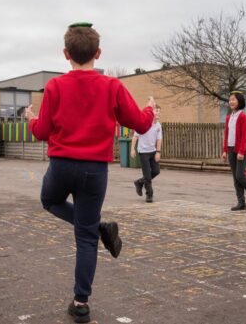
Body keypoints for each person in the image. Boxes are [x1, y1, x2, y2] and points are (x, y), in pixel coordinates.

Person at [25, 22, 155, 323]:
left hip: (61, 165)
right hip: (94, 170)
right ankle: (81, 302)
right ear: (98, 52)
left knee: (49, 201)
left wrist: (32, 119)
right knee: (84, 238)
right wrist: (150, 108)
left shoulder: (55, 86)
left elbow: (42, 131)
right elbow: (141, 124)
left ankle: (97, 228)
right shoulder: (112, 86)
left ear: (65, 53)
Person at [221, 91, 246, 211]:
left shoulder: (243, 116)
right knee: (235, 177)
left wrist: (241, 152)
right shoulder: (229, 118)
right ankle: (241, 202)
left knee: (240, 175)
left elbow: (245, 136)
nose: (231, 101)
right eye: (230, 99)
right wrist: (225, 150)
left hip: (242, 150)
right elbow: (227, 135)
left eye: (233, 99)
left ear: (239, 101)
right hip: (231, 149)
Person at [131, 105, 162, 203]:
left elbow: (159, 139)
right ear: (151, 112)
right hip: (143, 152)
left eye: (159, 111)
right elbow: (135, 137)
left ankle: (139, 182)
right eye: (156, 111)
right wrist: (132, 149)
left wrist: (158, 152)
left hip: (152, 152)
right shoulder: (143, 123)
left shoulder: (158, 125)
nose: (158, 113)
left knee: (156, 171)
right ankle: (149, 195)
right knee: (147, 175)